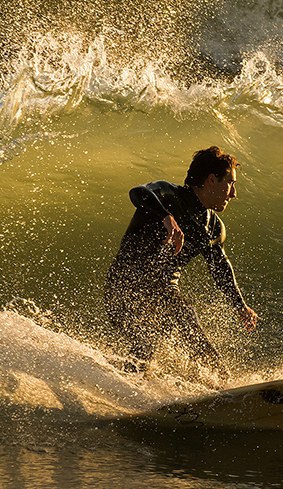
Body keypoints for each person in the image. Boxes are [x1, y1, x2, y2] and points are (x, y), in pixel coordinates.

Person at [104, 146, 259, 375]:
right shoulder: (169, 196)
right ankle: (120, 384)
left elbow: (220, 268)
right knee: (146, 344)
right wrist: (166, 218)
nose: (233, 193)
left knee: (197, 341)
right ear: (211, 180)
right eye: (230, 183)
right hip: (124, 286)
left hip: (165, 293)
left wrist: (240, 306)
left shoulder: (213, 227)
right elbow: (137, 192)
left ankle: (223, 387)